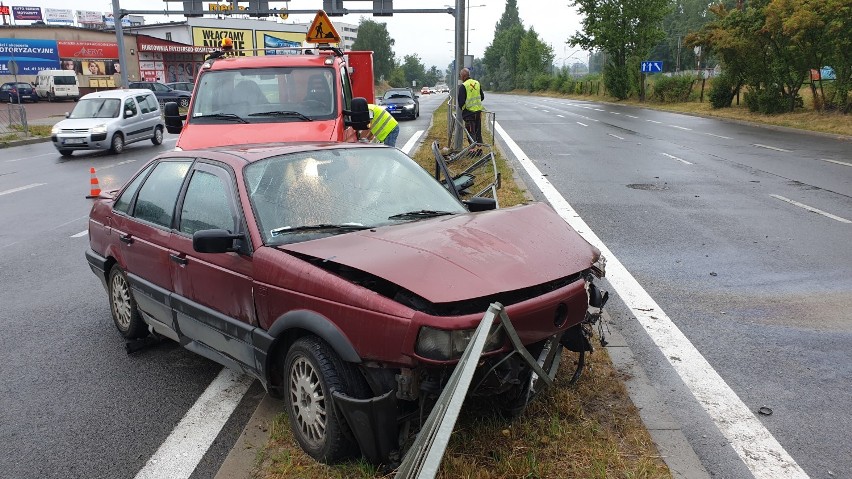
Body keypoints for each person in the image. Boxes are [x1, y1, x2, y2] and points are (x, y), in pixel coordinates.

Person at [456, 67, 485, 154]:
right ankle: (480, 149)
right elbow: (482, 97)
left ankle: (472, 151)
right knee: (477, 131)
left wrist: (465, 108)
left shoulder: (463, 86)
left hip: (469, 113)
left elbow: (461, 102)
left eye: (461, 76)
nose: (461, 78)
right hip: (478, 112)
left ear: (463, 76)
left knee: (471, 131)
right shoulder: (477, 83)